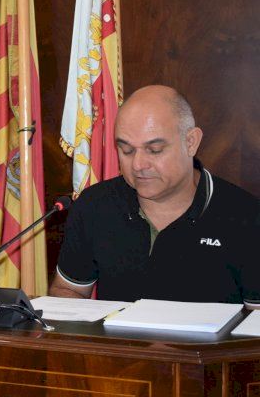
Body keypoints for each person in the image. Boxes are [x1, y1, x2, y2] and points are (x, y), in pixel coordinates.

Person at [49, 85, 260, 305]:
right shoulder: (95, 205)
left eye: (155, 150)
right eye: (127, 150)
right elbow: (67, 289)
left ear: (191, 142)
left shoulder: (247, 218)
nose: (138, 165)